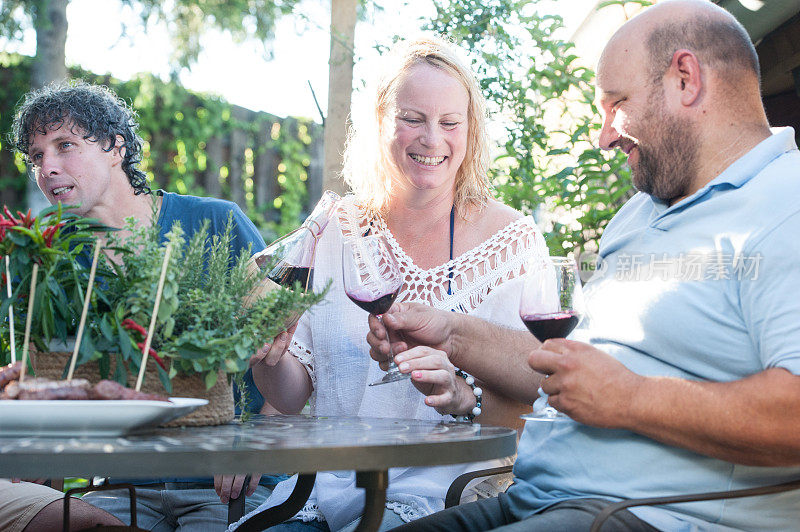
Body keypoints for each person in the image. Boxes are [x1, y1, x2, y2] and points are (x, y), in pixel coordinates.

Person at [366, 1, 800, 530]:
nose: (605, 136)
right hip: (533, 498)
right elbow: (572, 375)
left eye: (616, 103)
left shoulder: (785, 205)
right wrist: (451, 333)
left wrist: (632, 398)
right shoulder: (640, 214)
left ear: (685, 79)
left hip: (641, 517)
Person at [232, 35, 550, 531]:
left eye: (450, 123)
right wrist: (268, 355)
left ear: (471, 131)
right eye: (412, 119)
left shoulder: (513, 244)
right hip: (325, 490)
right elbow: (293, 395)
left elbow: (542, 388)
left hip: (450, 496)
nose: (432, 138)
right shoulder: (337, 229)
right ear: (379, 122)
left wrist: (464, 394)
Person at [10, 80, 281, 531]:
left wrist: (254, 442)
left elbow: (285, 344)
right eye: (37, 156)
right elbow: (52, 378)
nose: (47, 167)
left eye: (65, 145)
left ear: (116, 148)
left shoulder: (214, 222)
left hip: (229, 484)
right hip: (121, 487)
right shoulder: (53, 258)